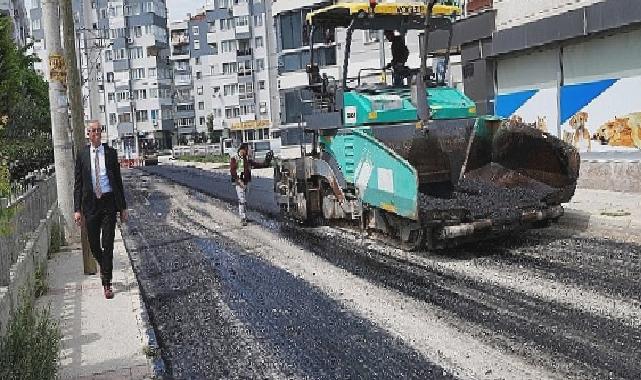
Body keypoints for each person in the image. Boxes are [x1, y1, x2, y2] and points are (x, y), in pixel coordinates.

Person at [74, 121, 128, 299]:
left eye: (99, 130)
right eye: (93, 130)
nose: (96, 133)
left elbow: (118, 182)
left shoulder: (111, 153)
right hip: (90, 205)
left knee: (108, 243)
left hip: (108, 202)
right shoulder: (82, 155)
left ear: (101, 132)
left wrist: (123, 208)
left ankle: (107, 283)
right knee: (94, 244)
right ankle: (105, 267)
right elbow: (78, 185)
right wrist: (77, 210)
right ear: (88, 133)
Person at [229, 143, 273, 226]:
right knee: (242, 200)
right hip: (239, 182)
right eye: (247, 149)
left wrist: (266, 163)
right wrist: (239, 181)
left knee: (244, 200)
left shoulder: (247, 159)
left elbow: (255, 164)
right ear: (243, 149)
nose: (249, 151)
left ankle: (244, 216)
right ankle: (243, 218)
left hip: (246, 181)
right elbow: (232, 171)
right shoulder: (235, 158)